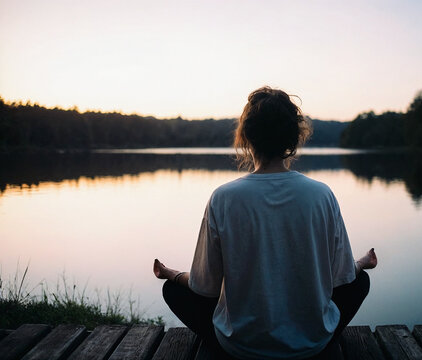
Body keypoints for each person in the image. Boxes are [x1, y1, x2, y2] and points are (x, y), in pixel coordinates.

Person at [153, 87, 377, 359]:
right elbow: (342, 277)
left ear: (246, 136)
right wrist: (361, 263)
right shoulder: (322, 195)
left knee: (173, 292)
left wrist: (174, 275)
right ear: (293, 138)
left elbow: (205, 287)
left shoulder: (223, 199)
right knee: (360, 282)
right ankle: (318, 341)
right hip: (311, 345)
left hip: (241, 347)